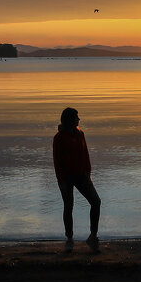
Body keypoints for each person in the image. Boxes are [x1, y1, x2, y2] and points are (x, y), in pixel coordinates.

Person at [53, 106, 101, 253]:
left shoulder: (80, 134)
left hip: (82, 176)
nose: (79, 119)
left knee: (96, 201)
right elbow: (57, 161)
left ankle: (93, 235)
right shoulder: (59, 138)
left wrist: (88, 172)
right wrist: (62, 180)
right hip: (66, 178)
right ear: (69, 119)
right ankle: (69, 238)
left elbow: (85, 154)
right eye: (76, 117)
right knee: (68, 207)